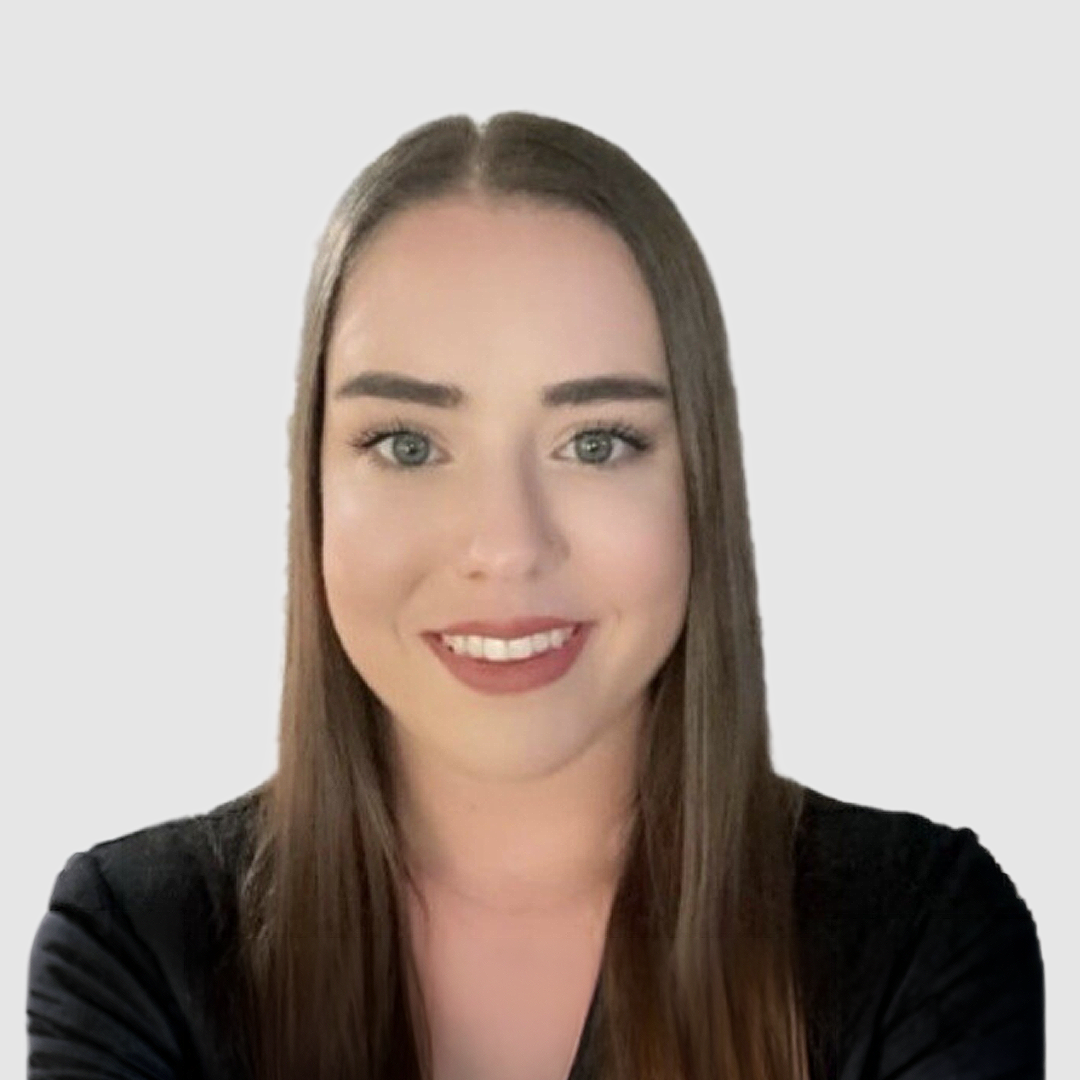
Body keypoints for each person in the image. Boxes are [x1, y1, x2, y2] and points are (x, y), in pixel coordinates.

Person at [26, 111, 1043, 1080]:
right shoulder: (137, 943)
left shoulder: (920, 936)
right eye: (408, 444)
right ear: (312, 485)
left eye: (595, 443)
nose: (506, 546)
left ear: (702, 482)